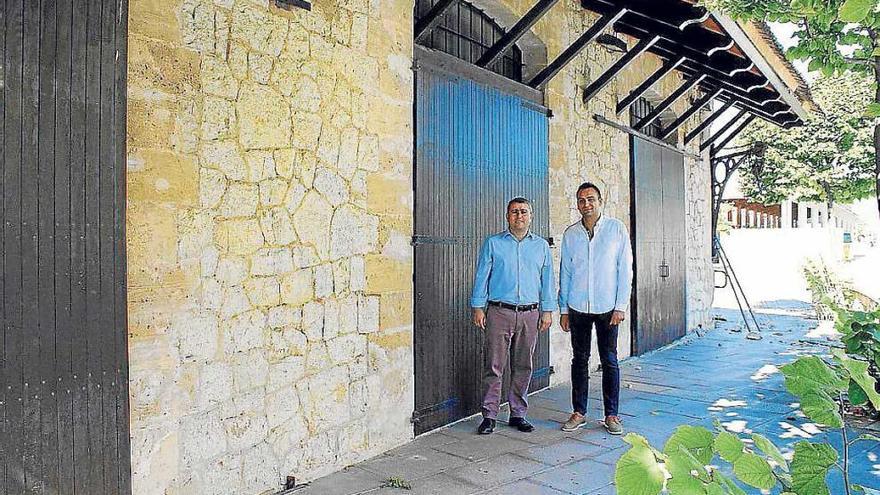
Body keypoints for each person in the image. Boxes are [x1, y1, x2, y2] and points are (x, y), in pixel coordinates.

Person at [470, 197, 555, 434]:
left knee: (523, 365)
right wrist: (478, 306)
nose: (519, 216)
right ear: (507, 216)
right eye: (514, 212)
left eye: (524, 212)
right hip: (499, 312)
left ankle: (518, 413)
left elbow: (547, 281)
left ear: (531, 216)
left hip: (530, 314)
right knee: (494, 366)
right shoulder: (493, 243)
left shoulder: (540, 247)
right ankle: (489, 415)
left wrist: (547, 310)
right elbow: (482, 276)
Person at [558, 182, 633, 435]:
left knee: (609, 360)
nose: (586, 204)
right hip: (578, 306)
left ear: (600, 201)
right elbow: (565, 273)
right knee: (579, 360)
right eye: (581, 200)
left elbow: (625, 270)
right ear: (577, 204)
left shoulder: (616, 230)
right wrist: (564, 309)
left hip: (607, 307)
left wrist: (620, 305)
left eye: (590, 199)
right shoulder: (571, 234)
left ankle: (611, 415)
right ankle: (579, 412)